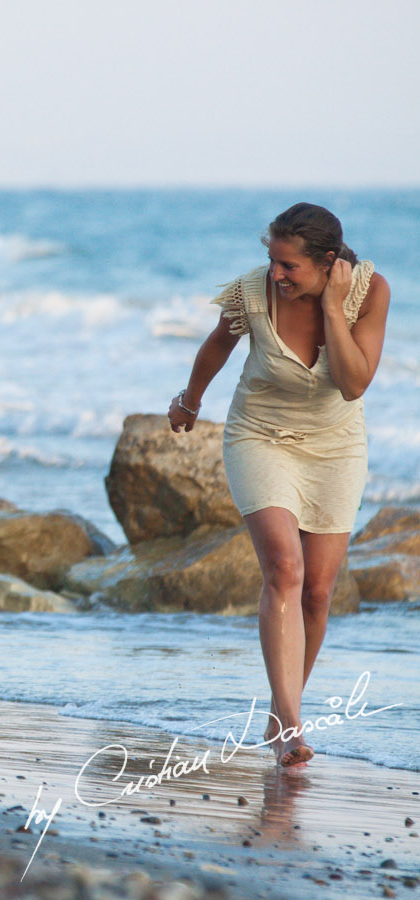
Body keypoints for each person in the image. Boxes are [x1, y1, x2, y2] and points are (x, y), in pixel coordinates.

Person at [168, 203, 390, 767]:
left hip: (335, 446)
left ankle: (278, 709)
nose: (277, 275)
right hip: (260, 435)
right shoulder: (252, 293)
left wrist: (335, 309)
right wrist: (189, 399)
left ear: (328, 263)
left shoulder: (370, 291)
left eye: (289, 266)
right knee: (284, 570)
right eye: (272, 261)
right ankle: (291, 724)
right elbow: (220, 342)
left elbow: (354, 383)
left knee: (318, 590)